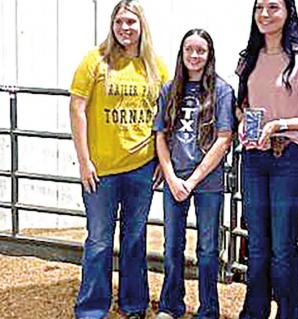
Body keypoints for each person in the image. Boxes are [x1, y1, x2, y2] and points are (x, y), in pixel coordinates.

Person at [69, 1, 168, 318]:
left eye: (131, 22)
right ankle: (92, 308)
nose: (125, 28)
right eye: (120, 22)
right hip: (101, 169)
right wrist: (84, 161)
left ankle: (134, 304)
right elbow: (77, 108)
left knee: (135, 238)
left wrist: (162, 163)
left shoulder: (155, 66)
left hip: (141, 166)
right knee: (98, 239)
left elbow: (166, 116)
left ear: (142, 25)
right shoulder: (95, 60)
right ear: (112, 25)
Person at [235, 0, 298, 318]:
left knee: (282, 248)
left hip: (289, 157)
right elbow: (242, 103)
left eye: (273, 7)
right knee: (257, 246)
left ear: (288, 12)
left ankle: (289, 314)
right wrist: (244, 121)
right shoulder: (248, 58)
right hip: (254, 159)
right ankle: (254, 312)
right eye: (259, 7)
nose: (265, 14)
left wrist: (279, 125)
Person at [153, 29, 235, 319]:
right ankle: (170, 304)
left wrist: (193, 180)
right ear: (182, 53)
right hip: (175, 179)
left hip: (207, 182)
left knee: (208, 248)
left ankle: (208, 309)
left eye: (201, 50)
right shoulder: (168, 89)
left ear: (209, 54)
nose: (195, 56)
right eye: (190, 50)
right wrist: (172, 177)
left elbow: (224, 138)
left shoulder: (222, 91)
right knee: (172, 245)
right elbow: (160, 136)